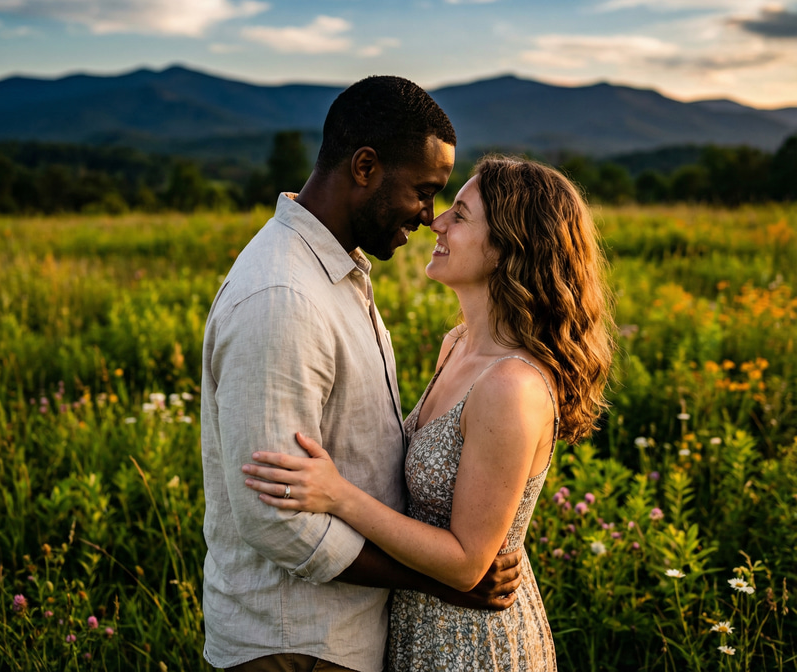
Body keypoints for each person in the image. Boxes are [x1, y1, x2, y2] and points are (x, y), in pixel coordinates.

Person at [242, 156, 615, 671]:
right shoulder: (457, 345)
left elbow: (467, 564)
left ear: (509, 247)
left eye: (460, 215)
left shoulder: (510, 385)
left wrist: (338, 495)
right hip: (418, 625)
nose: (435, 222)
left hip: (473, 640)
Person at [201, 77, 521, 672]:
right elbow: (276, 522)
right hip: (296, 643)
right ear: (366, 167)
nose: (429, 216)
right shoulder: (282, 296)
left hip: (337, 637)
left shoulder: (337, 272)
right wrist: (442, 580)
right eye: (423, 192)